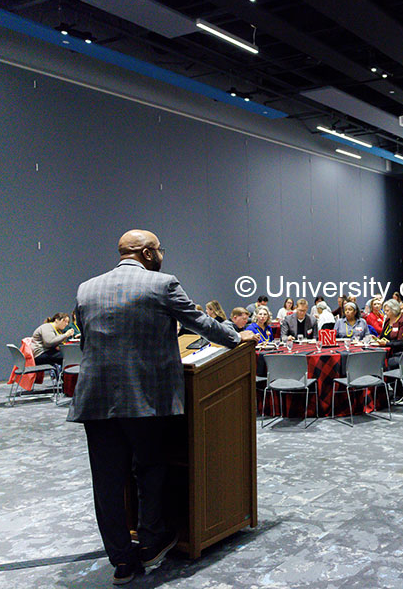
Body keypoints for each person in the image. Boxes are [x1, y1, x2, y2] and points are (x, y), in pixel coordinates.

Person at [70, 230, 253, 584]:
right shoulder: (161, 284)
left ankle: (122, 562)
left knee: (107, 483)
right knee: (150, 467)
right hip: (145, 396)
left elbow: (89, 338)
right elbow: (197, 322)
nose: (161, 255)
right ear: (147, 253)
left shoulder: (86, 288)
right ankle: (152, 540)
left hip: (96, 398)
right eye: (158, 249)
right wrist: (236, 337)